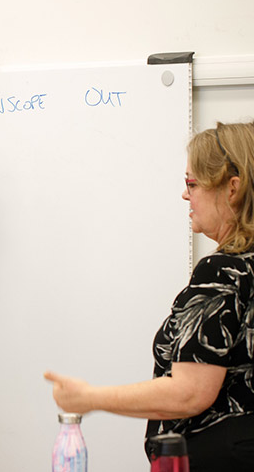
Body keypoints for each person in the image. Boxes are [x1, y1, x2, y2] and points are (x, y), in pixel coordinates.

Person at [44, 121, 254, 471]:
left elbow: (189, 393)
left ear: (232, 188)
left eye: (192, 183)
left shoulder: (222, 271)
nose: (186, 195)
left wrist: (88, 397)